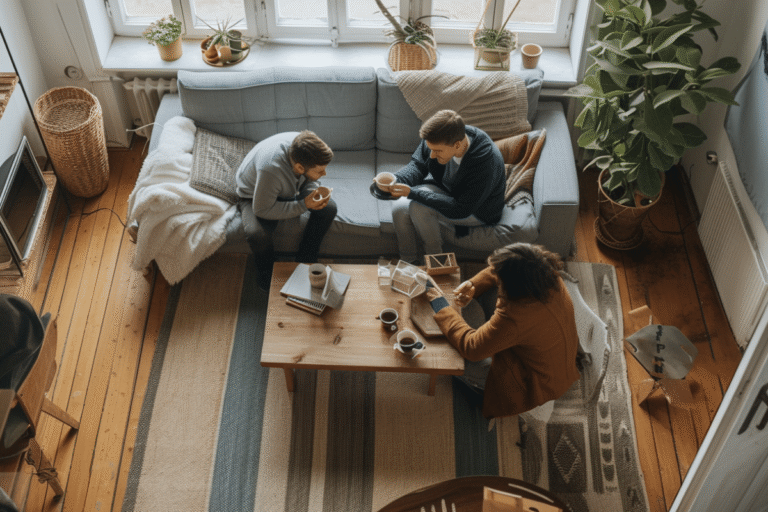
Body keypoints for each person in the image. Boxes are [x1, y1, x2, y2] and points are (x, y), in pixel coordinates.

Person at [424, 243, 580, 419]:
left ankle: (479, 387)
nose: (494, 273)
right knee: (485, 297)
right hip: (555, 361)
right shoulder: (544, 273)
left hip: (534, 383)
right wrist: (472, 284)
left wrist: (439, 304)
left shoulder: (516, 317)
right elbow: (500, 269)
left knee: (458, 358)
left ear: (512, 285)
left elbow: (472, 348)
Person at [387, 110, 506, 263]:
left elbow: (460, 209)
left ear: (457, 145)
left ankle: (437, 263)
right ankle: (408, 262)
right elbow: (417, 166)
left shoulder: (485, 162)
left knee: (418, 207)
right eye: (431, 149)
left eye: (437, 151)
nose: (432, 156)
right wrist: (395, 180)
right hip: (449, 191)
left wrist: (412, 193)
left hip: (477, 209)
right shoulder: (439, 136)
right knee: (399, 207)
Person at [235, 130, 337, 290]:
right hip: (254, 195)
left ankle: (306, 258)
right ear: (299, 167)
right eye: (320, 171)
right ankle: (267, 277)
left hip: (285, 185)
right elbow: (262, 209)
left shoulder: (305, 145)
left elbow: (307, 178)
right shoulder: (271, 169)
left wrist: (312, 189)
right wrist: (303, 205)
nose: (324, 174)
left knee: (329, 208)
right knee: (257, 235)